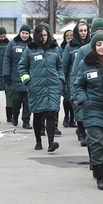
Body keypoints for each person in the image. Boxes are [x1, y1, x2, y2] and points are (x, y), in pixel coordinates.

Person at [74, 33, 103, 190]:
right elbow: (78, 85)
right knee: (96, 141)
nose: (102, 47)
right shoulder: (85, 63)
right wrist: (83, 99)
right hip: (92, 107)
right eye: (98, 44)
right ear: (93, 47)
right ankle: (101, 175)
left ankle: (102, 160)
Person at [18, 22, 64, 152]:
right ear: (36, 36)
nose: (43, 37)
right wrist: (28, 82)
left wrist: (60, 80)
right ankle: (38, 141)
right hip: (36, 88)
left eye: (45, 35)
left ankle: (51, 143)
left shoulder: (55, 49)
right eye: (41, 35)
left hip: (52, 87)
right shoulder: (30, 49)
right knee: (37, 115)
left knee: (50, 114)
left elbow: (60, 67)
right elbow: (22, 67)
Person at [3, 24, 33, 129]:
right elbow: (7, 59)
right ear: (19, 33)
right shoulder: (12, 44)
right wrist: (6, 74)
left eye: (27, 33)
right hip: (15, 77)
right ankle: (14, 116)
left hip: (29, 78)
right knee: (16, 100)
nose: (25, 35)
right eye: (23, 33)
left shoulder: (32, 45)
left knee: (28, 101)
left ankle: (26, 121)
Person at [62, 21, 90, 128]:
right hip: (74, 81)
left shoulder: (92, 45)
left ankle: (84, 130)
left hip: (89, 80)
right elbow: (64, 66)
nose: (83, 33)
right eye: (81, 30)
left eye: (85, 30)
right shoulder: (70, 47)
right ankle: (81, 132)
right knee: (78, 107)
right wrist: (64, 85)